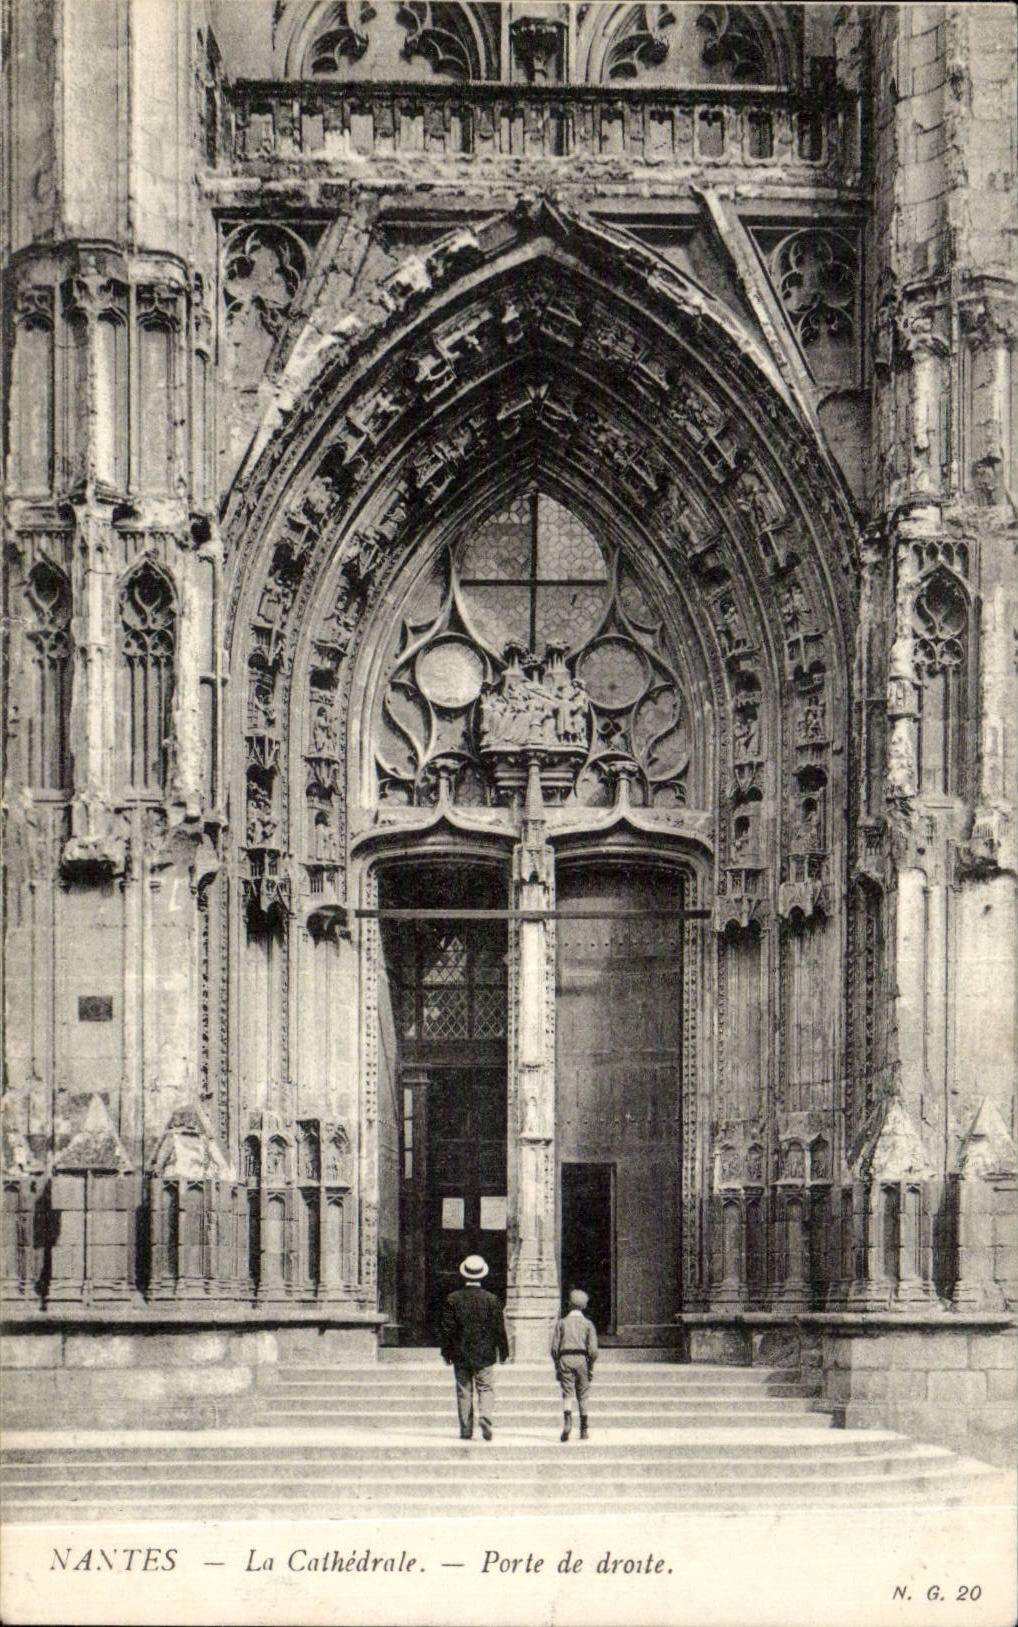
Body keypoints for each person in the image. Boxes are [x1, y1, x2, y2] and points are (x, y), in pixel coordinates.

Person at [439, 1254, 510, 1441]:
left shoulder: (452, 1299)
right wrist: (504, 1352)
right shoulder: (492, 1299)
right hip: (485, 1353)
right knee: (485, 1388)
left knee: (464, 1390)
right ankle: (485, 1416)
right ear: (482, 1275)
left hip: (460, 1353)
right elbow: (499, 1329)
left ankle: (465, 1430)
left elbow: (448, 1329)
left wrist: (446, 1352)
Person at [551, 1288, 598, 1441]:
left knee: (567, 1392)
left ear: (569, 1304)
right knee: (583, 1394)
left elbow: (554, 1348)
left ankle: (567, 1421)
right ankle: (584, 1429)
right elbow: (593, 1350)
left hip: (565, 1358)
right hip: (582, 1359)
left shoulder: (562, 1323)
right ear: (584, 1306)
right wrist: (590, 1365)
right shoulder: (588, 1324)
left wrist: (558, 1364)